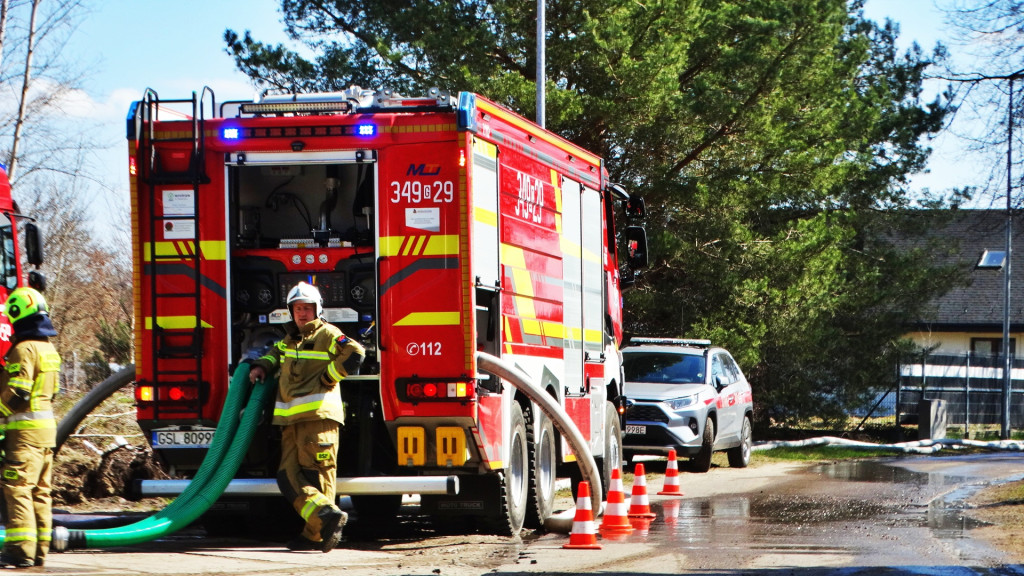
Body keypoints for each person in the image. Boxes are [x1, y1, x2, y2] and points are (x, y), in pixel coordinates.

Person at [248, 281, 364, 553]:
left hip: (319, 420)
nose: (302, 313)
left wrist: (328, 376)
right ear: (291, 311)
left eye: (307, 308)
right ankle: (322, 518)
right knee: (287, 477)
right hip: (291, 422)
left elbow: (356, 352)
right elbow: (276, 353)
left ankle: (316, 533)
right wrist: (261, 366)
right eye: (298, 308)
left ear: (317, 309)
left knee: (316, 476)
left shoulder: (328, 333)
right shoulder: (289, 339)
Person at [0, 287, 60, 568]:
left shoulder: (23, 350)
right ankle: (39, 552)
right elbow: (52, 392)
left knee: (18, 488)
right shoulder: (49, 349)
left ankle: (20, 552)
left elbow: (18, 393)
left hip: (24, 434)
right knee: (41, 492)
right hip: (47, 431)